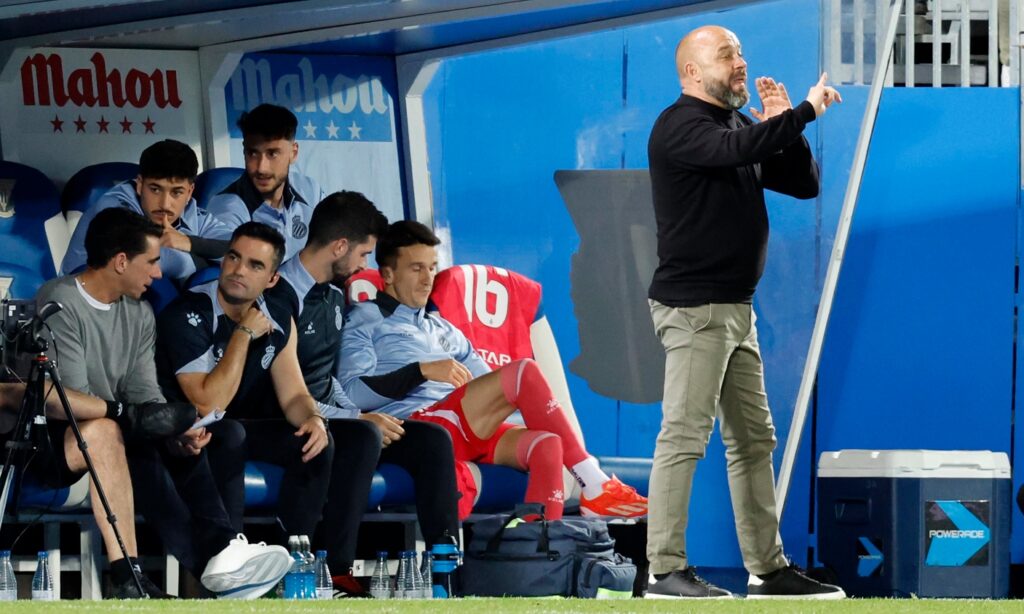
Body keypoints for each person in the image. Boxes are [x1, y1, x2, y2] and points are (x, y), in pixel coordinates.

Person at [644, 26, 844, 599]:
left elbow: (802, 184)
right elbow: (737, 151)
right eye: (726, 54)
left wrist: (784, 124)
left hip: (735, 311)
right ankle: (664, 571)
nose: (741, 62)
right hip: (694, 310)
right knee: (684, 437)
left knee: (755, 441)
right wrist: (799, 113)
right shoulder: (679, 125)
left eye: (741, 52)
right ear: (690, 71)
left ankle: (769, 569)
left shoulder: (736, 125)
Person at [3, 208, 290, 599]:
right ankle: (135, 576)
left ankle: (225, 552)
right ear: (122, 261)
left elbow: (143, 392)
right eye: (152, 262)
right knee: (111, 432)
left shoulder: (139, 312)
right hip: (51, 440)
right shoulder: (60, 299)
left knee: (190, 436)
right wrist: (129, 415)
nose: (158, 274)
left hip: (110, 428)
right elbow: (67, 400)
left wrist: (172, 430)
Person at [338, 220, 648, 521]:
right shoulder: (366, 319)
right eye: (416, 268)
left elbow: (491, 386)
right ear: (388, 274)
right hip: (421, 428)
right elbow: (353, 393)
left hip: (465, 424)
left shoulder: (442, 327)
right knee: (523, 371)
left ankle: (539, 549)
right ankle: (593, 482)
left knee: (547, 446)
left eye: (432, 268)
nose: (427, 278)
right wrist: (421, 370)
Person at [265, 191, 460, 593]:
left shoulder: (335, 296)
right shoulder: (279, 296)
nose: (365, 266)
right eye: (363, 254)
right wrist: (355, 416)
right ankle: (336, 569)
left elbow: (330, 380)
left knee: (431, 440)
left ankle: (444, 572)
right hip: (286, 417)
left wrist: (354, 409)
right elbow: (289, 392)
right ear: (340, 247)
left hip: (333, 414)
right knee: (363, 434)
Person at [155, 222, 335, 556]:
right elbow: (209, 405)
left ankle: (296, 559)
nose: (239, 270)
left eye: (255, 265)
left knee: (316, 440)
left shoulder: (279, 314)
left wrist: (313, 418)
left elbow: (294, 393)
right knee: (230, 433)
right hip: (185, 434)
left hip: (237, 428)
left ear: (272, 279)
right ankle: (230, 558)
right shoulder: (187, 312)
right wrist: (243, 334)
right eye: (233, 258)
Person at [61, 139, 232, 283]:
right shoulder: (113, 206)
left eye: (176, 192)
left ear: (189, 192)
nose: (165, 204)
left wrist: (190, 243)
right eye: (155, 189)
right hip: (80, 301)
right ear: (140, 184)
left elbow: (245, 249)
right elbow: (146, 260)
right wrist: (206, 257)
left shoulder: (194, 215)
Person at [206, 104, 325, 262]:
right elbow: (239, 266)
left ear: (293, 153)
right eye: (253, 153)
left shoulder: (310, 190)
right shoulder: (227, 206)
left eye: (272, 154)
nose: (261, 168)